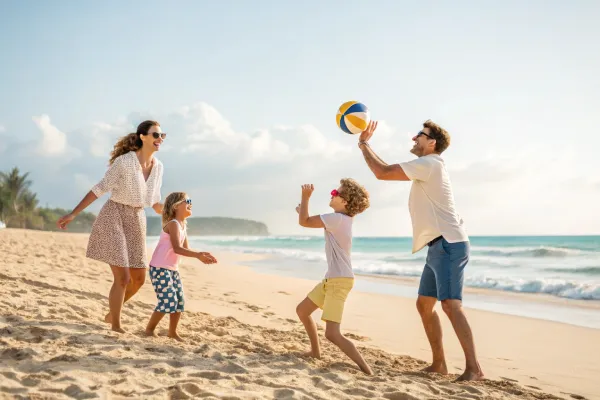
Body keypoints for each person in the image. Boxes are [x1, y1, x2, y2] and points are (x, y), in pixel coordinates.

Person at [357, 120, 484, 381]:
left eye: (420, 135)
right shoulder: (426, 167)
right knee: (425, 305)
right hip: (437, 246)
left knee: (450, 305)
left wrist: (363, 144)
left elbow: (382, 172)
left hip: (449, 244)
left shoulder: (430, 164)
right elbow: (385, 169)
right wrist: (366, 145)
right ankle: (439, 364)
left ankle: (475, 369)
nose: (414, 138)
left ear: (432, 142)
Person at [57, 120, 166, 333]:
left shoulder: (159, 167)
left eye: (162, 135)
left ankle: (112, 313)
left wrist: (173, 210)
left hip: (137, 219)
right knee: (123, 278)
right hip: (114, 215)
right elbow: (100, 188)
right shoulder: (125, 162)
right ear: (142, 136)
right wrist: (73, 213)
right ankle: (116, 325)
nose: (160, 139)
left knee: (139, 279)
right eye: (155, 135)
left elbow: (154, 202)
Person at [295, 179, 373, 375]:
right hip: (332, 279)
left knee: (332, 333)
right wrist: (302, 211)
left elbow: (304, 222)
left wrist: (305, 198)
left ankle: (367, 370)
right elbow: (308, 220)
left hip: (339, 282)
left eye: (335, 192)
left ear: (345, 201)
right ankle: (315, 352)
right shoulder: (339, 220)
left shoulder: (337, 219)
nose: (332, 194)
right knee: (303, 310)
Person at [144, 192, 217, 341]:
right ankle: (149, 330)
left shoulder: (183, 225)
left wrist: (201, 254)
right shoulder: (173, 224)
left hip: (172, 269)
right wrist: (198, 255)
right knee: (167, 301)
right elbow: (177, 248)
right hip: (159, 268)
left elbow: (185, 249)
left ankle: (172, 332)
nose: (191, 203)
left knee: (179, 301)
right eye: (188, 201)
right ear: (176, 206)